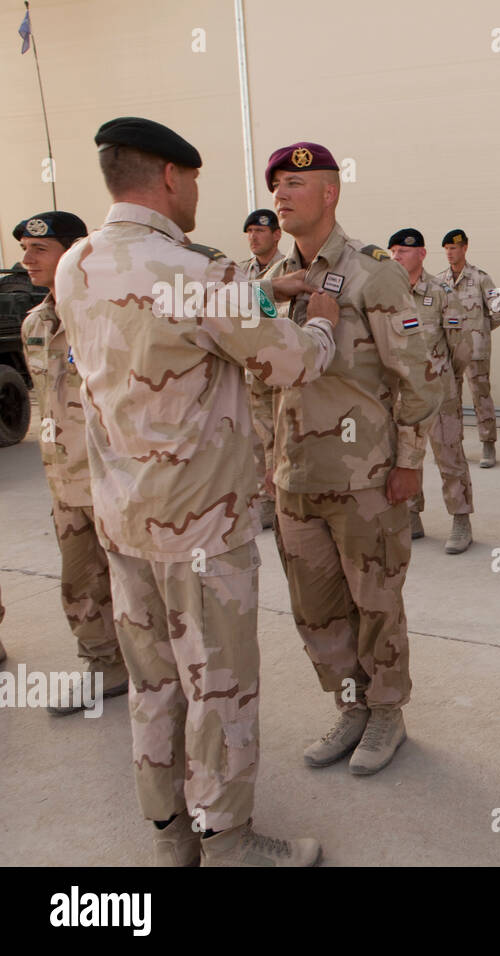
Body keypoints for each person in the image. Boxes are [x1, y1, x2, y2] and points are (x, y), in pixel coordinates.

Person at [56, 117, 340, 866]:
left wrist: (256, 292)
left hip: (123, 522)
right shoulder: (199, 274)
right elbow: (289, 365)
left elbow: (158, 327)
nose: (197, 197)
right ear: (171, 178)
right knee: (220, 686)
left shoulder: (76, 265)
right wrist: (323, 328)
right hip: (202, 530)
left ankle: (170, 836)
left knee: (153, 683)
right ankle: (232, 841)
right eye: (196, 182)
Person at [261, 142, 440, 777]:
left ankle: (387, 710)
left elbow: (416, 376)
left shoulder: (375, 275)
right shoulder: (274, 282)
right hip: (295, 475)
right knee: (314, 608)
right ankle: (350, 705)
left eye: (296, 184)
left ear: (331, 193)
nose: (281, 195)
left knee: (376, 600)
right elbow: (253, 369)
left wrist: (410, 463)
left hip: (364, 474)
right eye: (276, 185)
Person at [16, 211, 129, 716]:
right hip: (64, 480)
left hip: (118, 478)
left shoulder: (108, 311)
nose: (26, 260)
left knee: (139, 587)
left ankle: (158, 672)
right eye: (24, 248)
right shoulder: (35, 323)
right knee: (80, 583)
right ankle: (104, 667)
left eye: (38, 249)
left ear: (74, 251)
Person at [388, 227, 474, 553]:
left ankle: (461, 520)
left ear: (421, 254)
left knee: (449, 456)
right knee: (406, 456)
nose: (397, 256)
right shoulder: (387, 293)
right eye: (393, 251)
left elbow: (460, 346)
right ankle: (411, 517)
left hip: (438, 391)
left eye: (404, 251)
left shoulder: (441, 292)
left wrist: (448, 379)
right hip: (402, 394)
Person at [436, 229, 500, 468]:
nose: (449, 253)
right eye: (446, 248)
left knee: (481, 397)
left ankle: (488, 445)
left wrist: (480, 331)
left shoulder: (481, 278)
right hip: (450, 352)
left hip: (476, 351)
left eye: (454, 248)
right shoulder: (440, 281)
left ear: (465, 248)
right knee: (450, 399)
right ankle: (454, 445)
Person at [239, 208, 286, 529]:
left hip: (280, 368)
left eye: (260, 231)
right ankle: (265, 499)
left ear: (276, 234)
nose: (254, 237)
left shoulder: (289, 270)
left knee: (282, 435)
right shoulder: (240, 273)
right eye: (250, 231)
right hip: (248, 369)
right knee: (256, 438)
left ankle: (282, 497)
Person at [239, 209, 284, 279]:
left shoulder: (289, 268)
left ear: (277, 235)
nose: (252, 237)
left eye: (259, 230)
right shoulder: (240, 271)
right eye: (250, 231)